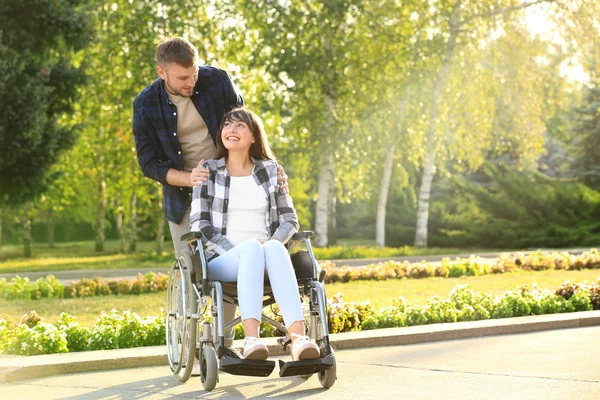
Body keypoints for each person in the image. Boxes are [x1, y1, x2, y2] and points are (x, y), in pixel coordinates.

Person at [132, 37, 287, 352]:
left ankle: (224, 344)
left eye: (194, 74)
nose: (191, 82)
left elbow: (245, 129)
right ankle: (190, 340)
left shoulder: (216, 80)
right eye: (182, 78)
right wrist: (190, 179)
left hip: (230, 188)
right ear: (162, 72)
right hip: (183, 195)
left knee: (231, 258)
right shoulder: (146, 104)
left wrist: (270, 167)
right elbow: (149, 164)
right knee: (193, 271)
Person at [190, 107, 320, 361]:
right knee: (251, 248)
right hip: (223, 259)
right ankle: (252, 340)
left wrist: (271, 242)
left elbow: (289, 219)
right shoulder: (208, 171)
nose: (232, 129)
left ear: (253, 137)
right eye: (227, 124)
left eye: (240, 126)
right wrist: (239, 249)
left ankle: (299, 339)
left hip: (267, 257)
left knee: (273, 247)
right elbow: (200, 224)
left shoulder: (270, 171)